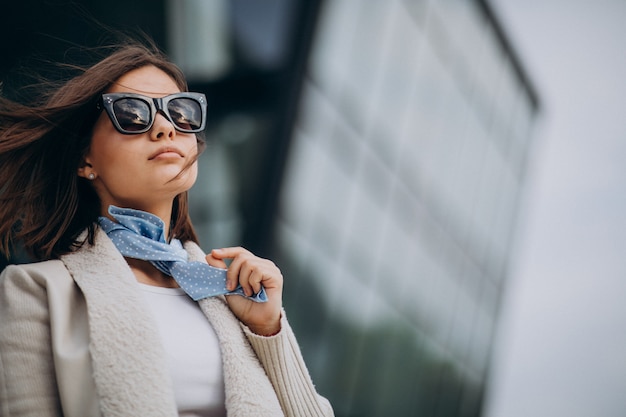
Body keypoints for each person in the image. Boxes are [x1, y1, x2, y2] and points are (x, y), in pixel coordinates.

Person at [0, 40, 334, 417]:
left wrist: (268, 329)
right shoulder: (36, 291)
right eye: (131, 113)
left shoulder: (229, 293)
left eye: (181, 112)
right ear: (84, 159)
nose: (164, 128)